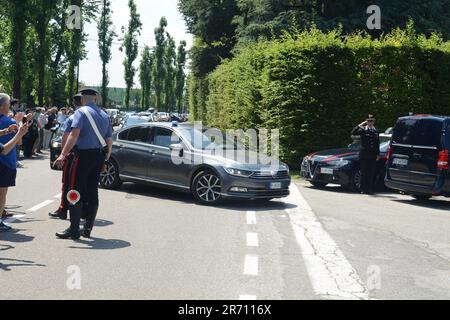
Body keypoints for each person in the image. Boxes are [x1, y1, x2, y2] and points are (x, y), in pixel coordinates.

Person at [54, 88, 113, 240]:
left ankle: (74, 230)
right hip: (98, 156)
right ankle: (87, 229)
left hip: (83, 157)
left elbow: (74, 135)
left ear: (81, 99)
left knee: (75, 190)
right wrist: (105, 159)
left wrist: (62, 154)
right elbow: (109, 141)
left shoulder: (81, 113)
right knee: (93, 191)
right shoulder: (105, 115)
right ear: (95, 99)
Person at [49, 94, 83, 220]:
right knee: (84, 184)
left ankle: (63, 209)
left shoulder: (73, 117)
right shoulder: (95, 116)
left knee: (67, 183)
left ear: (74, 103)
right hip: (89, 155)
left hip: (73, 154)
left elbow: (66, 137)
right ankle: (84, 210)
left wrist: (63, 154)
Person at [0, 93, 29, 231]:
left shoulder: (10, 123)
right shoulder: (10, 121)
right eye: (9, 104)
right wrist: (19, 131)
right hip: (5, 162)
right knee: (2, 193)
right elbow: (13, 146)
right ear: (4, 106)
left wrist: (6, 131)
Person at [352, 115, 380, 195]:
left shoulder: (376, 130)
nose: (370, 122)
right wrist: (360, 124)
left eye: (371, 121)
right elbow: (353, 132)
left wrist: (378, 154)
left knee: (371, 173)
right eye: (368, 121)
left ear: (374, 121)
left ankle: (369, 189)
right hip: (364, 155)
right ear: (366, 121)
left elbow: (377, 143)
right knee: (364, 173)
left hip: (373, 155)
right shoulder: (363, 130)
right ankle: (363, 189)